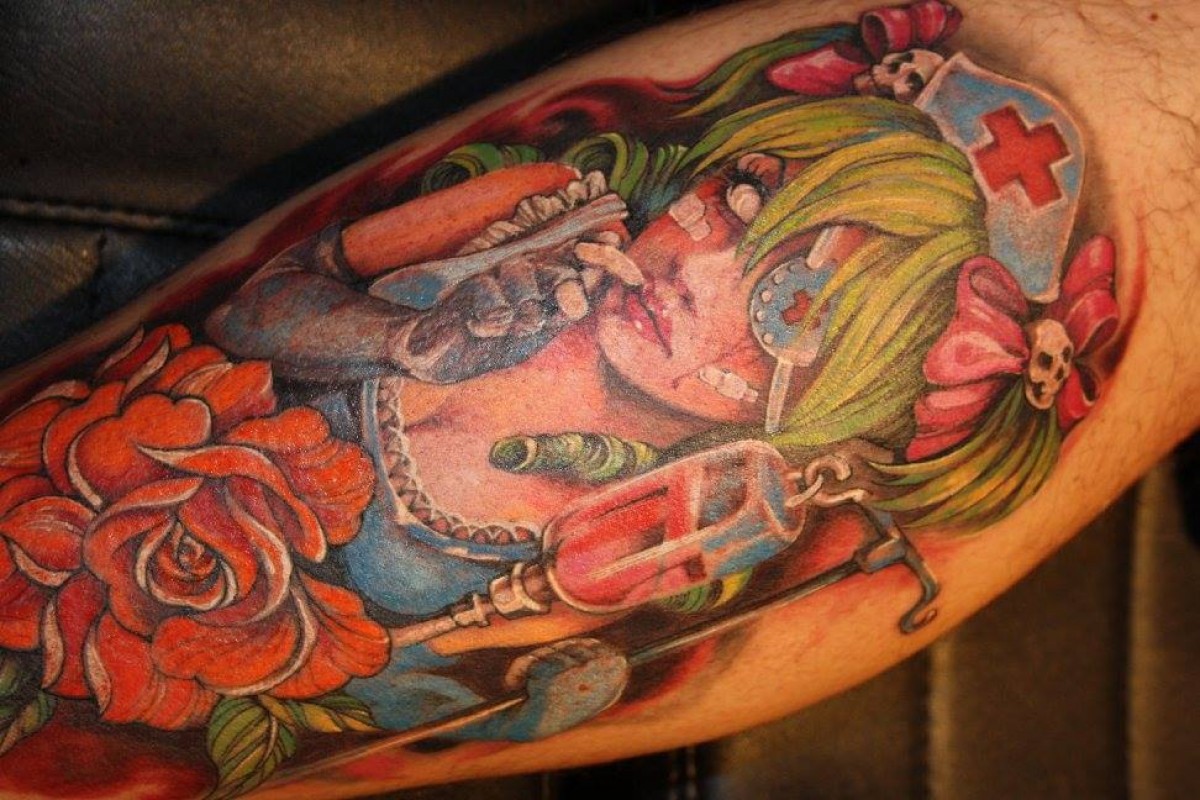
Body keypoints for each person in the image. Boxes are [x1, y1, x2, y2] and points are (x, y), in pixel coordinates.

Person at [0, 1, 1195, 797]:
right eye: (737, 198)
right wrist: (406, 338)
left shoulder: (644, 551)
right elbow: (261, 315)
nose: (703, 262)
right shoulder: (531, 211)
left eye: (791, 306)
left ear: (846, 402)